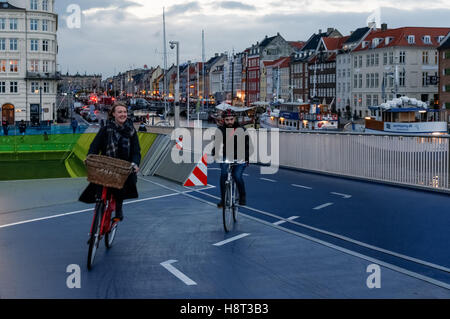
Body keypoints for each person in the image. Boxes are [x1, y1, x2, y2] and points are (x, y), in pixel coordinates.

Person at [79, 103, 141, 221]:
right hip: (106, 163)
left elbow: (136, 151)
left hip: (122, 166)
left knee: (121, 185)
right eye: (120, 112)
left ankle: (119, 208)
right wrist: (89, 157)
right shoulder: (106, 129)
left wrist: (135, 163)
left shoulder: (131, 131)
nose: (123, 114)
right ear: (113, 114)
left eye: (124, 112)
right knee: (98, 183)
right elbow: (95, 146)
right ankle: (99, 202)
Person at [213, 108, 250, 208]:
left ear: (235, 119)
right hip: (227, 155)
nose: (229, 122)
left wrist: (246, 158)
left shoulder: (242, 130)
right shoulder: (220, 130)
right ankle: (223, 199)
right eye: (227, 120)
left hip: (241, 156)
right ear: (223, 120)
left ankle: (242, 196)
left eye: (231, 119)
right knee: (224, 174)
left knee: (237, 176)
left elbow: (248, 145)